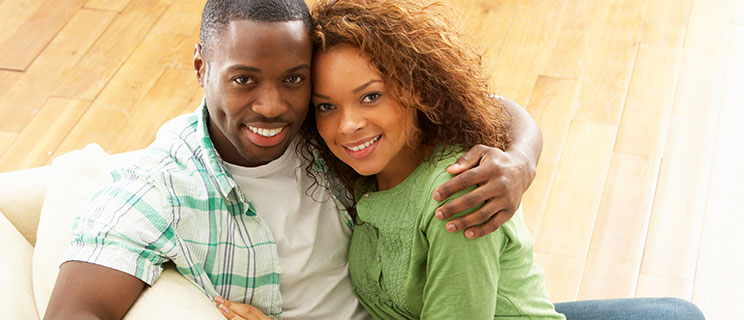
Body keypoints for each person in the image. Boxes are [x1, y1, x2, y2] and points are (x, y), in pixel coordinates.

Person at [43, 0, 544, 319]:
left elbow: (475, 103)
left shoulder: (325, 127)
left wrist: (520, 160)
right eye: (244, 79)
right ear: (202, 66)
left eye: (293, 79)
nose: (272, 105)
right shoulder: (159, 190)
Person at [215, 0, 706, 319]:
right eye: (327, 106)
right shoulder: (361, 171)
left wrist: (521, 161)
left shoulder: (455, 198)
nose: (347, 126)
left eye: (369, 97)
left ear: (413, 89)